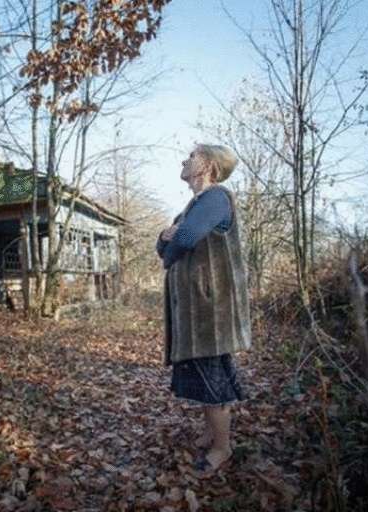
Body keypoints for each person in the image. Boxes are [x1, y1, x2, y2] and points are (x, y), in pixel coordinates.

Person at [156, 144, 252, 477]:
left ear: (208, 166)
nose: (184, 160)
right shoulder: (193, 206)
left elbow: (184, 239)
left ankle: (222, 448)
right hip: (198, 314)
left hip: (211, 314)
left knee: (213, 382)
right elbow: (163, 243)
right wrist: (166, 238)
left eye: (193, 156)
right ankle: (212, 434)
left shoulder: (216, 199)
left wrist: (171, 246)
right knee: (205, 377)